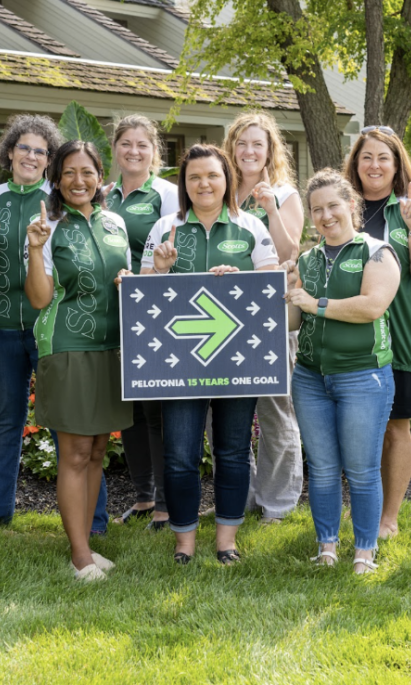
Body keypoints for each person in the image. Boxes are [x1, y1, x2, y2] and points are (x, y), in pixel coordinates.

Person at [0, 114, 112, 530]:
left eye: (40, 151)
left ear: (50, 160)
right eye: (23, 148)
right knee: (4, 419)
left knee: (70, 423)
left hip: (53, 329)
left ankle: (92, 518)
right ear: (9, 151)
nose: (30, 156)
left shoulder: (60, 199)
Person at [140, 144, 278, 564]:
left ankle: (226, 542)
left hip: (238, 357)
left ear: (227, 180)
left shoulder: (250, 227)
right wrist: (160, 269)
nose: (204, 183)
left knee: (232, 451)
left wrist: (243, 282)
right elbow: (142, 295)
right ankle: (184, 543)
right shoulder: (166, 226)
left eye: (212, 176)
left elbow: (270, 286)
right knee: (180, 454)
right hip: (181, 362)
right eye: (194, 177)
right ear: (184, 183)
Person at [25, 140, 134, 581]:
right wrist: (34, 249)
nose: (78, 181)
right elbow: (39, 298)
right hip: (67, 346)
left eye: (87, 172)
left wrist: (128, 279)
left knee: (97, 450)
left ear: (100, 176)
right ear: (56, 178)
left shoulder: (115, 223)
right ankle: (79, 556)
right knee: (73, 452)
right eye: (69, 172)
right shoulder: (46, 226)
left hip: (112, 347)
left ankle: (85, 544)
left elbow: (123, 280)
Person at [285, 170, 400, 573]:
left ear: (352, 205)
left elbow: (371, 307)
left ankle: (365, 550)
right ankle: (327, 547)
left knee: (362, 469)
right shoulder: (307, 259)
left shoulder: (377, 252)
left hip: (362, 376)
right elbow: (293, 323)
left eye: (333, 205)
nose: (326, 215)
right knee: (322, 468)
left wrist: (315, 303)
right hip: (311, 377)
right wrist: (284, 292)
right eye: (317, 210)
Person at [344, 126, 411, 539]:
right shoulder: (341, 208)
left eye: (384, 157)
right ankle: (364, 506)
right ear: (356, 163)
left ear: (397, 164)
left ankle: (389, 517)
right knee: (358, 426)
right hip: (349, 335)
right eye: (367, 157)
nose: (375, 165)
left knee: (395, 426)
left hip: (400, 334)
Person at [222, 111, 305, 524]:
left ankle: (279, 503)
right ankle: (245, 495)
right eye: (242, 143)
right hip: (221, 320)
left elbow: (290, 257)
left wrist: (270, 209)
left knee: (276, 411)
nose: (249, 151)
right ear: (230, 149)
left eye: (258, 144)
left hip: (270, 318)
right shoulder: (221, 191)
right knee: (223, 413)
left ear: (270, 150)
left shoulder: (286, 194)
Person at [104, 115, 179, 530]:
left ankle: (168, 503)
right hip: (113, 314)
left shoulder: (166, 194)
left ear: (155, 152)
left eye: (142, 145)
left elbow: (173, 246)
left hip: (156, 314)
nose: (133, 151)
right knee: (129, 409)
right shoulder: (104, 196)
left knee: (156, 411)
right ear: (114, 148)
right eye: (125, 143)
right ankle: (144, 497)